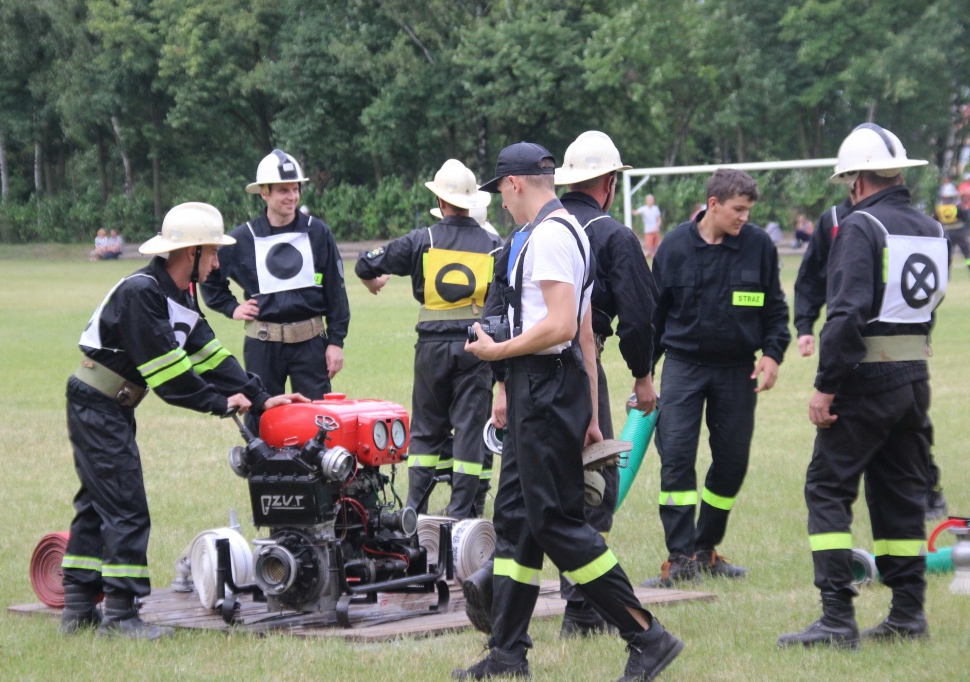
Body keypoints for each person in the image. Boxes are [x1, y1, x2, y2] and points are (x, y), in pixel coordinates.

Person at [454, 142, 683, 682]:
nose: (503, 205)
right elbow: (582, 329)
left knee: (555, 521)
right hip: (550, 388)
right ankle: (508, 654)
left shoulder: (553, 235)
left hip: (543, 386)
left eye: (501, 194)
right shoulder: (554, 232)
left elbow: (558, 325)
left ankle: (647, 637)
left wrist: (496, 354)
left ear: (514, 184)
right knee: (515, 523)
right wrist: (590, 409)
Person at [60, 202, 306, 639]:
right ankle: (119, 615)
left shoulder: (178, 296)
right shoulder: (143, 294)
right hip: (97, 404)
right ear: (189, 254)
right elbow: (170, 378)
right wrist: (221, 403)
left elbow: (212, 357)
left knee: (99, 503)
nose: (217, 263)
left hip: (109, 404)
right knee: (126, 506)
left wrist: (263, 400)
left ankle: (78, 606)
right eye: (212, 254)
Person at [779, 123, 946, 649]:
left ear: (854, 180)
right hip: (914, 379)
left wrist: (826, 387)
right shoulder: (930, 228)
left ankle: (835, 618)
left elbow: (847, 314)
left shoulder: (859, 225)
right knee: (901, 495)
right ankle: (907, 614)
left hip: (865, 381)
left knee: (827, 488)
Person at [645, 169, 790, 588]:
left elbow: (775, 310)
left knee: (730, 464)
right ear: (713, 204)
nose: (744, 217)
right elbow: (656, 318)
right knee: (676, 462)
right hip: (683, 367)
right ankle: (679, 558)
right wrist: (644, 375)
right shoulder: (673, 246)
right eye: (738, 209)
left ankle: (705, 550)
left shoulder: (759, 246)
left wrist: (772, 355)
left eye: (748, 210)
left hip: (737, 369)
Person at [551, 130, 659, 636]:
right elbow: (638, 317)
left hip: (524, 371)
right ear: (610, 184)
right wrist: (643, 375)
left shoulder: (537, 227)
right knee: (593, 486)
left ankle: (505, 603)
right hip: (579, 368)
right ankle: (582, 610)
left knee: (541, 486)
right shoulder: (614, 236)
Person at [355, 159, 500, 519]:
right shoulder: (496, 244)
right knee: (469, 430)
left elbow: (364, 264)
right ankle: (461, 512)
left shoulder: (423, 239)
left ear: (440, 200)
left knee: (425, 430)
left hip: (431, 348)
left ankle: (413, 509)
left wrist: (373, 281)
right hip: (476, 346)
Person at [795, 195, 949, 520]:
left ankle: (927, 492)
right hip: (862, 350)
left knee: (832, 480)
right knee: (901, 432)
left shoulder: (902, 224)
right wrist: (805, 325)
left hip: (883, 355)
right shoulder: (834, 220)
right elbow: (811, 276)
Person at [201, 149, 350, 431]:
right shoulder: (241, 238)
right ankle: (263, 475)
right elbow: (210, 277)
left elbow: (336, 290)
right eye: (283, 190)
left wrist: (336, 341)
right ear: (264, 194)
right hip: (263, 343)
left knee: (318, 421)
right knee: (261, 417)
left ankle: (317, 477)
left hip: (311, 343)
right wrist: (231, 307)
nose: (292, 197)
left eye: (295, 189)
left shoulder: (318, 232)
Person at [934, 181, 970, 276]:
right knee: (966, 253)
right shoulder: (957, 206)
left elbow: (935, 220)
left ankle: (947, 274)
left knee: (948, 254)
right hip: (959, 232)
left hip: (946, 234)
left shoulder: (939, 207)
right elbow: (965, 217)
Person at [634, 194, 662, 258]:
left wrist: (656, 227)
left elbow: (659, 220)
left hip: (656, 231)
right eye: (649, 200)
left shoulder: (656, 208)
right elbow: (635, 212)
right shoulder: (643, 209)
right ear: (646, 200)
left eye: (651, 200)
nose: (650, 201)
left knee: (656, 249)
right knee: (649, 250)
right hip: (648, 231)